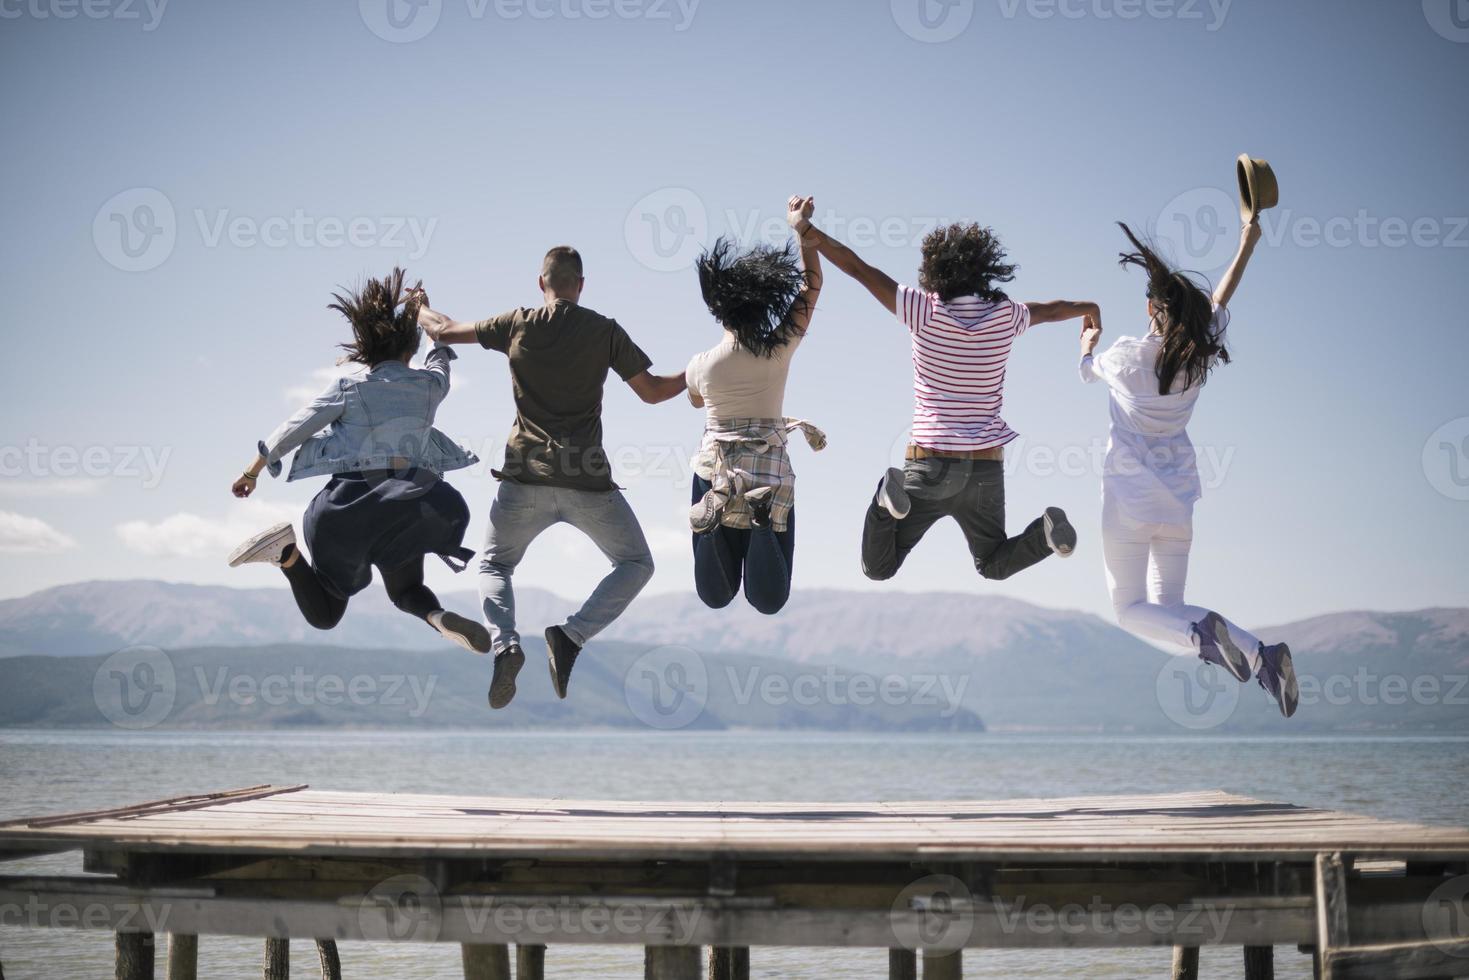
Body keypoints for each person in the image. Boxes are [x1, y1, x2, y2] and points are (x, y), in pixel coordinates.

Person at [418, 246, 687, 708]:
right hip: (587, 482)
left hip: (524, 479)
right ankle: (570, 636)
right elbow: (654, 392)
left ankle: (506, 645)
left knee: (496, 566)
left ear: (540, 284)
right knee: (636, 564)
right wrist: (697, 373)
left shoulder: (518, 323)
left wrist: (419, 305)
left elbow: (442, 330)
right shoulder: (603, 330)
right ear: (580, 285)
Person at [795, 211, 1098, 583]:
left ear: (934, 268)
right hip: (986, 469)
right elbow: (1052, 311)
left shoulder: (922, 309)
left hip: (931, 466)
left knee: (879, 568)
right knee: (993, 563)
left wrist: (807, 231)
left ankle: (884, 501)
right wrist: (1090, 309)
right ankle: (1045, 533)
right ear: (985, 269)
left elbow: (859, 269)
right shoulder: (1007, 315)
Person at [1079, 218, 1299, 718]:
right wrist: (1246, 242)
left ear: (1151, 309)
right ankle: (1261, 655)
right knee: (1170, 607)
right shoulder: (1197, 351)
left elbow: (1085, 372)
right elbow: (1221, 300)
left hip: (1128, 506)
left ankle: (1205, 637)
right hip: (1178, 505)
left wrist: (1088, 341)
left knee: (1131, 611)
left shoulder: (1125, 357)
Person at [227, 268, 489, 656]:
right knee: (407, 590)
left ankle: (286, 553)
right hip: (413, 502)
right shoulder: (430, 386)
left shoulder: (349, 388)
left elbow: (294, 427)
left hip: (348, 507)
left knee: (326, 613)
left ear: (366, 348)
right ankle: (437, 617)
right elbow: (441, 355)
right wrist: (424, 312)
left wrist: (252, 471)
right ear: (409, 349)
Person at [685, 196, 825, 615]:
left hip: (717, 469)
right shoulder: (777, 349)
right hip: (769, 467)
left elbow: (694, 398)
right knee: (768, 599)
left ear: (718, 309)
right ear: (762, 305)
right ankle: (762, 521)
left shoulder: (702, 365)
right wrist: (801, 230)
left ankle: (710, 529)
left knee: (716, 595)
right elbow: (811, 285)